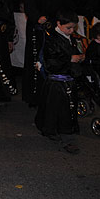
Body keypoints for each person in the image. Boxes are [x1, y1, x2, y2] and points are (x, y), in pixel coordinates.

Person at [23, 0, 74, 107]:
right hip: (37, 29)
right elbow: (29, 6)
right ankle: (34, 96)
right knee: (35, 60)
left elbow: (68, 8)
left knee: (52, 60)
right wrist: (37, 17)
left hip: (54, 30)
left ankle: (54, 94)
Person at [35, 10, 84, 154]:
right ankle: (66, 138)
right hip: (56, 82)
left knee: (65, 109)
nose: (71, 31)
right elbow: (50, 62)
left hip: (69, 80)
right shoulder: (51, 38)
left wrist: (80, 58)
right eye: (68, 28)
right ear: (58, 24)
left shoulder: (72, 38)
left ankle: (58, 131)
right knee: (59, 110)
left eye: (73, 28)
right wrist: (69, 59)